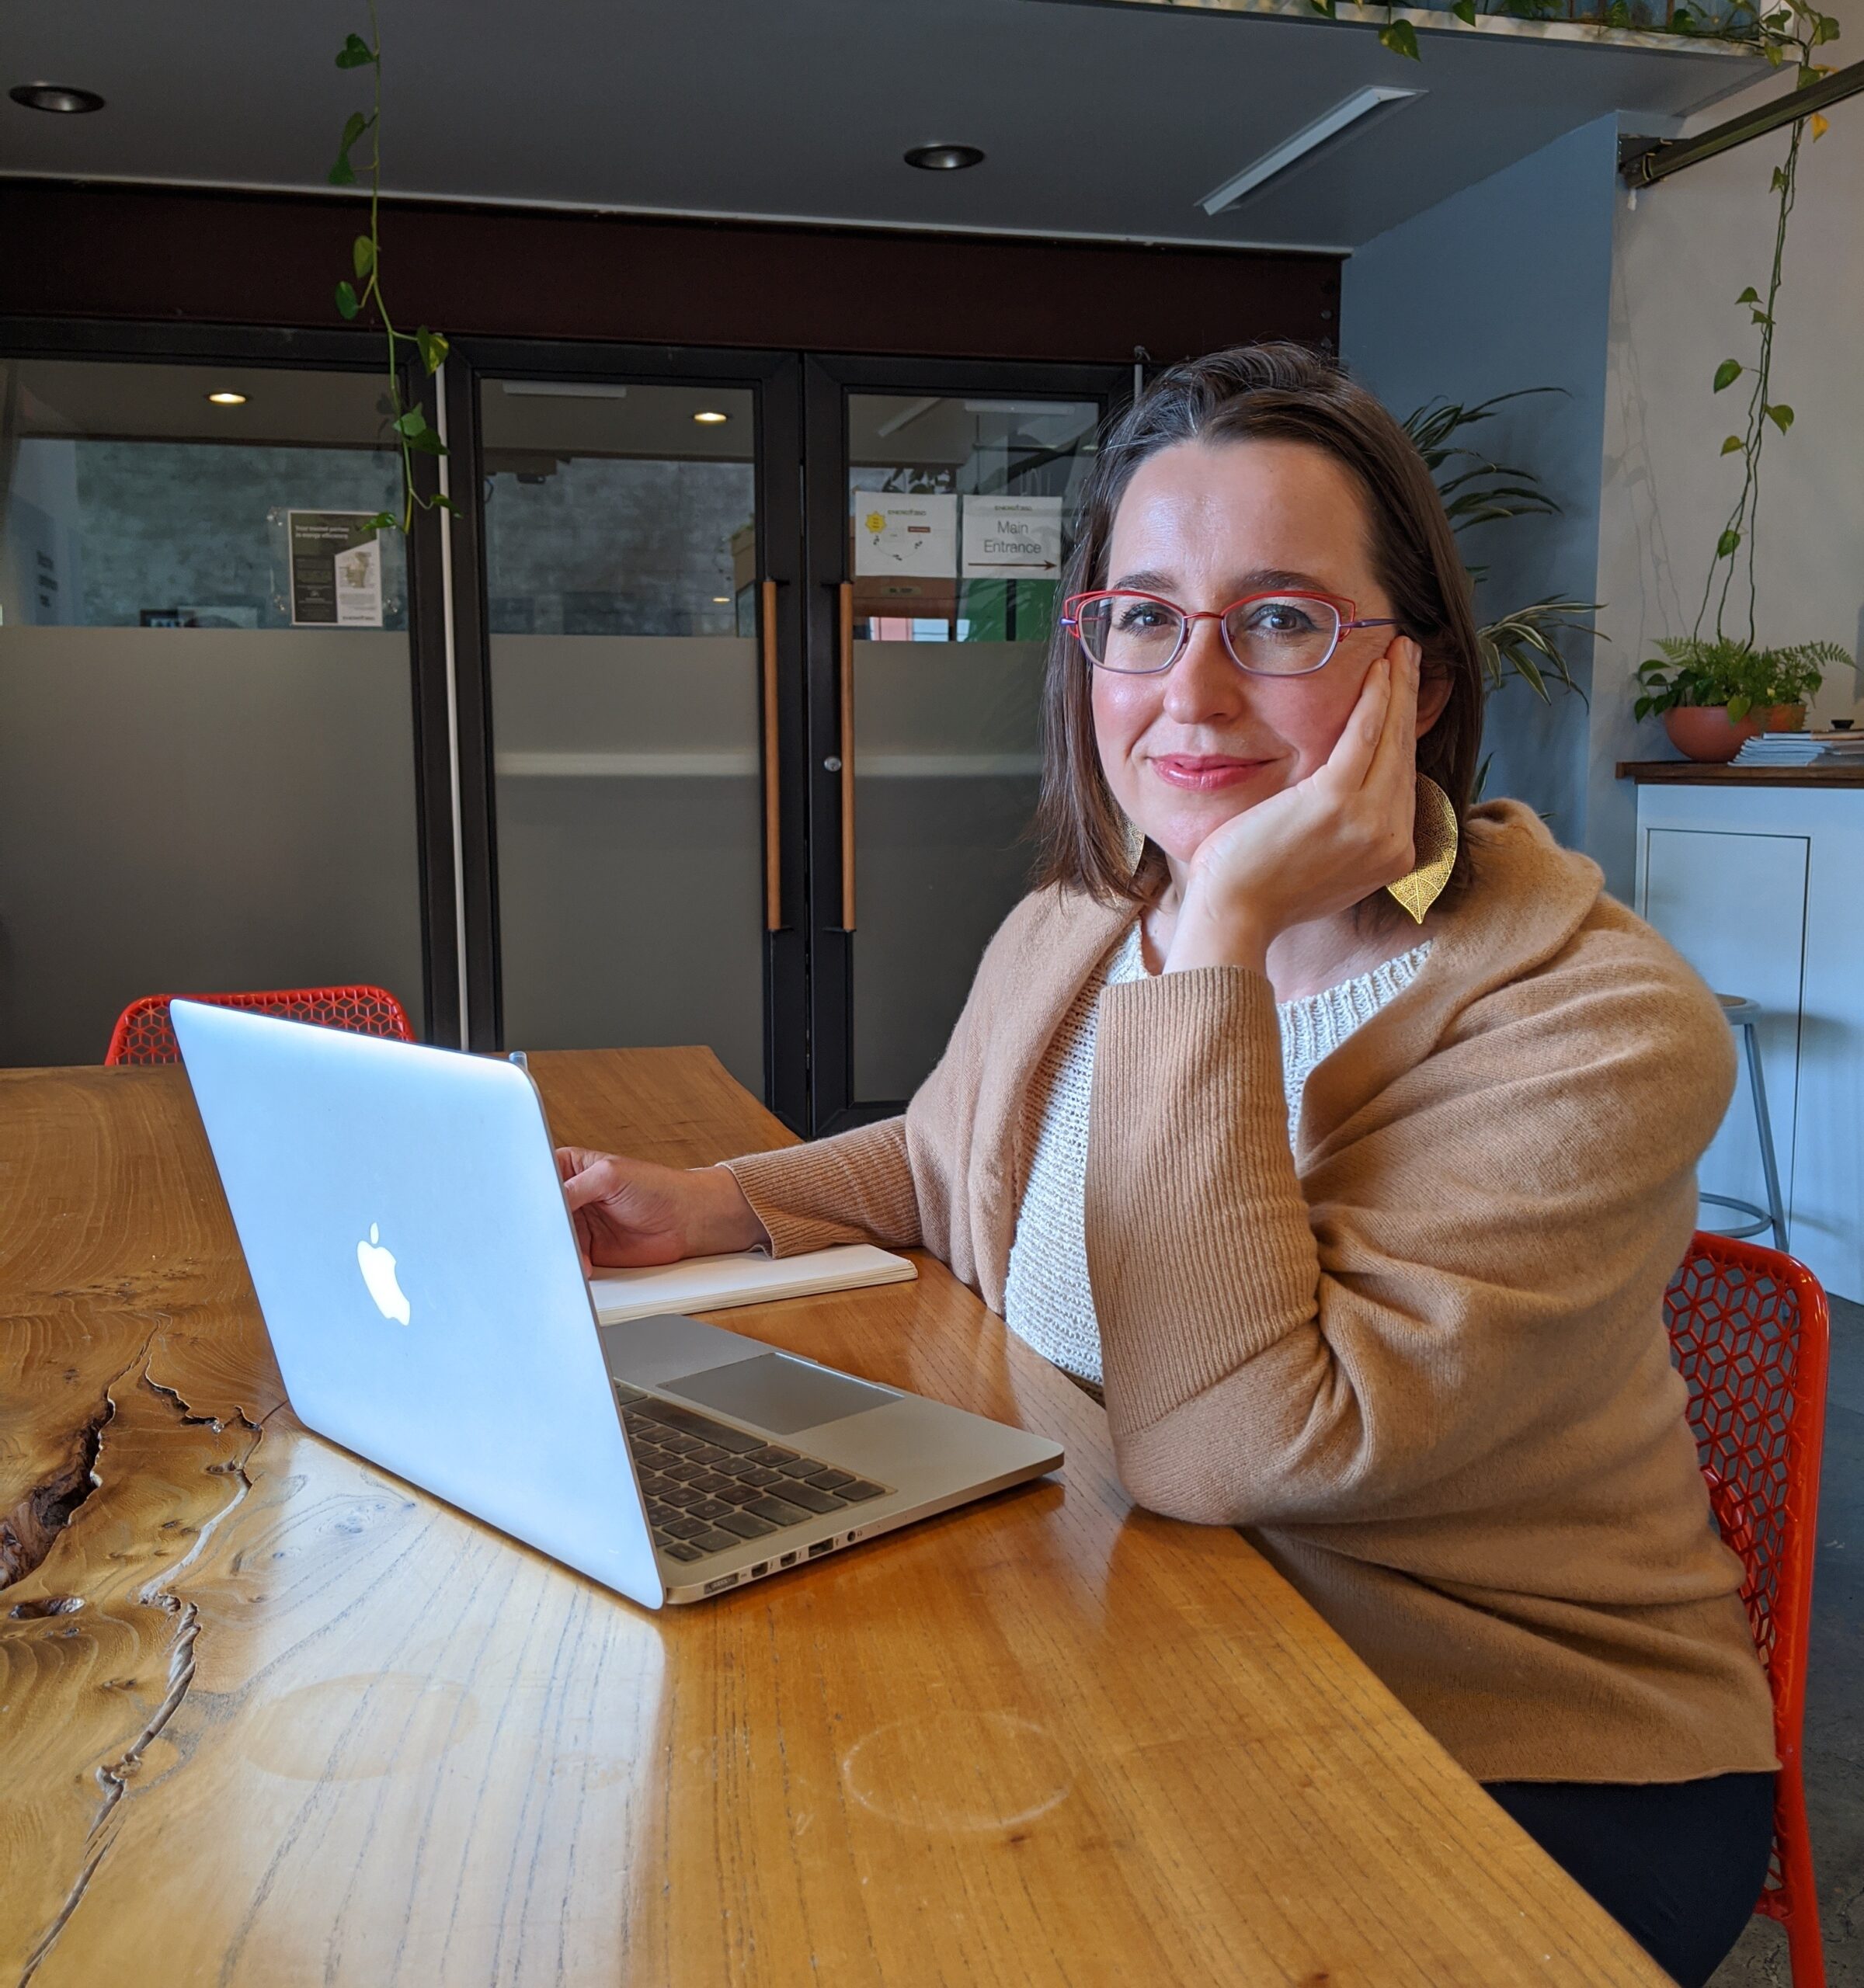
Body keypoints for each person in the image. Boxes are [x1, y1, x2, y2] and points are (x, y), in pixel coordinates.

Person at [558, 344, 1777, 1987]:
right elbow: (944, 1163)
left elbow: (1232, 1448)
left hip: (1493, 1749)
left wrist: (1216, 936)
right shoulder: (1080, 923)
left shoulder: (1594, 1022)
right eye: (1144, 616)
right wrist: (706, 1202)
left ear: (1414, 676)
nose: (1190, 692)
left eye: (1278, 621)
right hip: (1118, 1602)